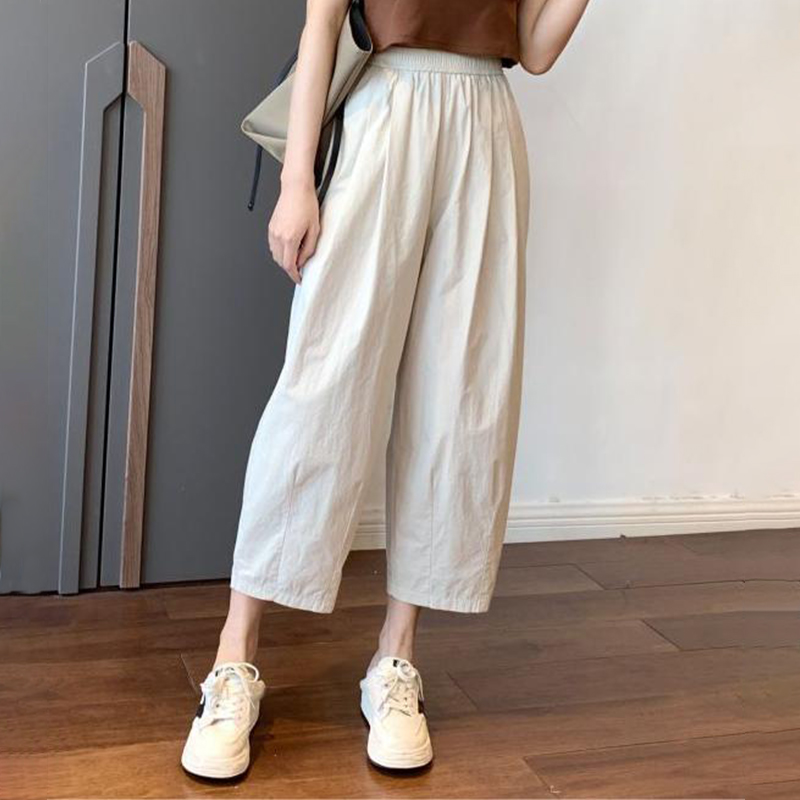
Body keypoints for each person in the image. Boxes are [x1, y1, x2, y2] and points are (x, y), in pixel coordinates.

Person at [181, 0, 591, 780]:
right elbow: (321, 25)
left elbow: (535, 50)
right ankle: (234, 658)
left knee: (461, 398)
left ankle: (396, 660)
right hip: (384, 109)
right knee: (323, 385)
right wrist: (297, 180)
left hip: (486, 124)